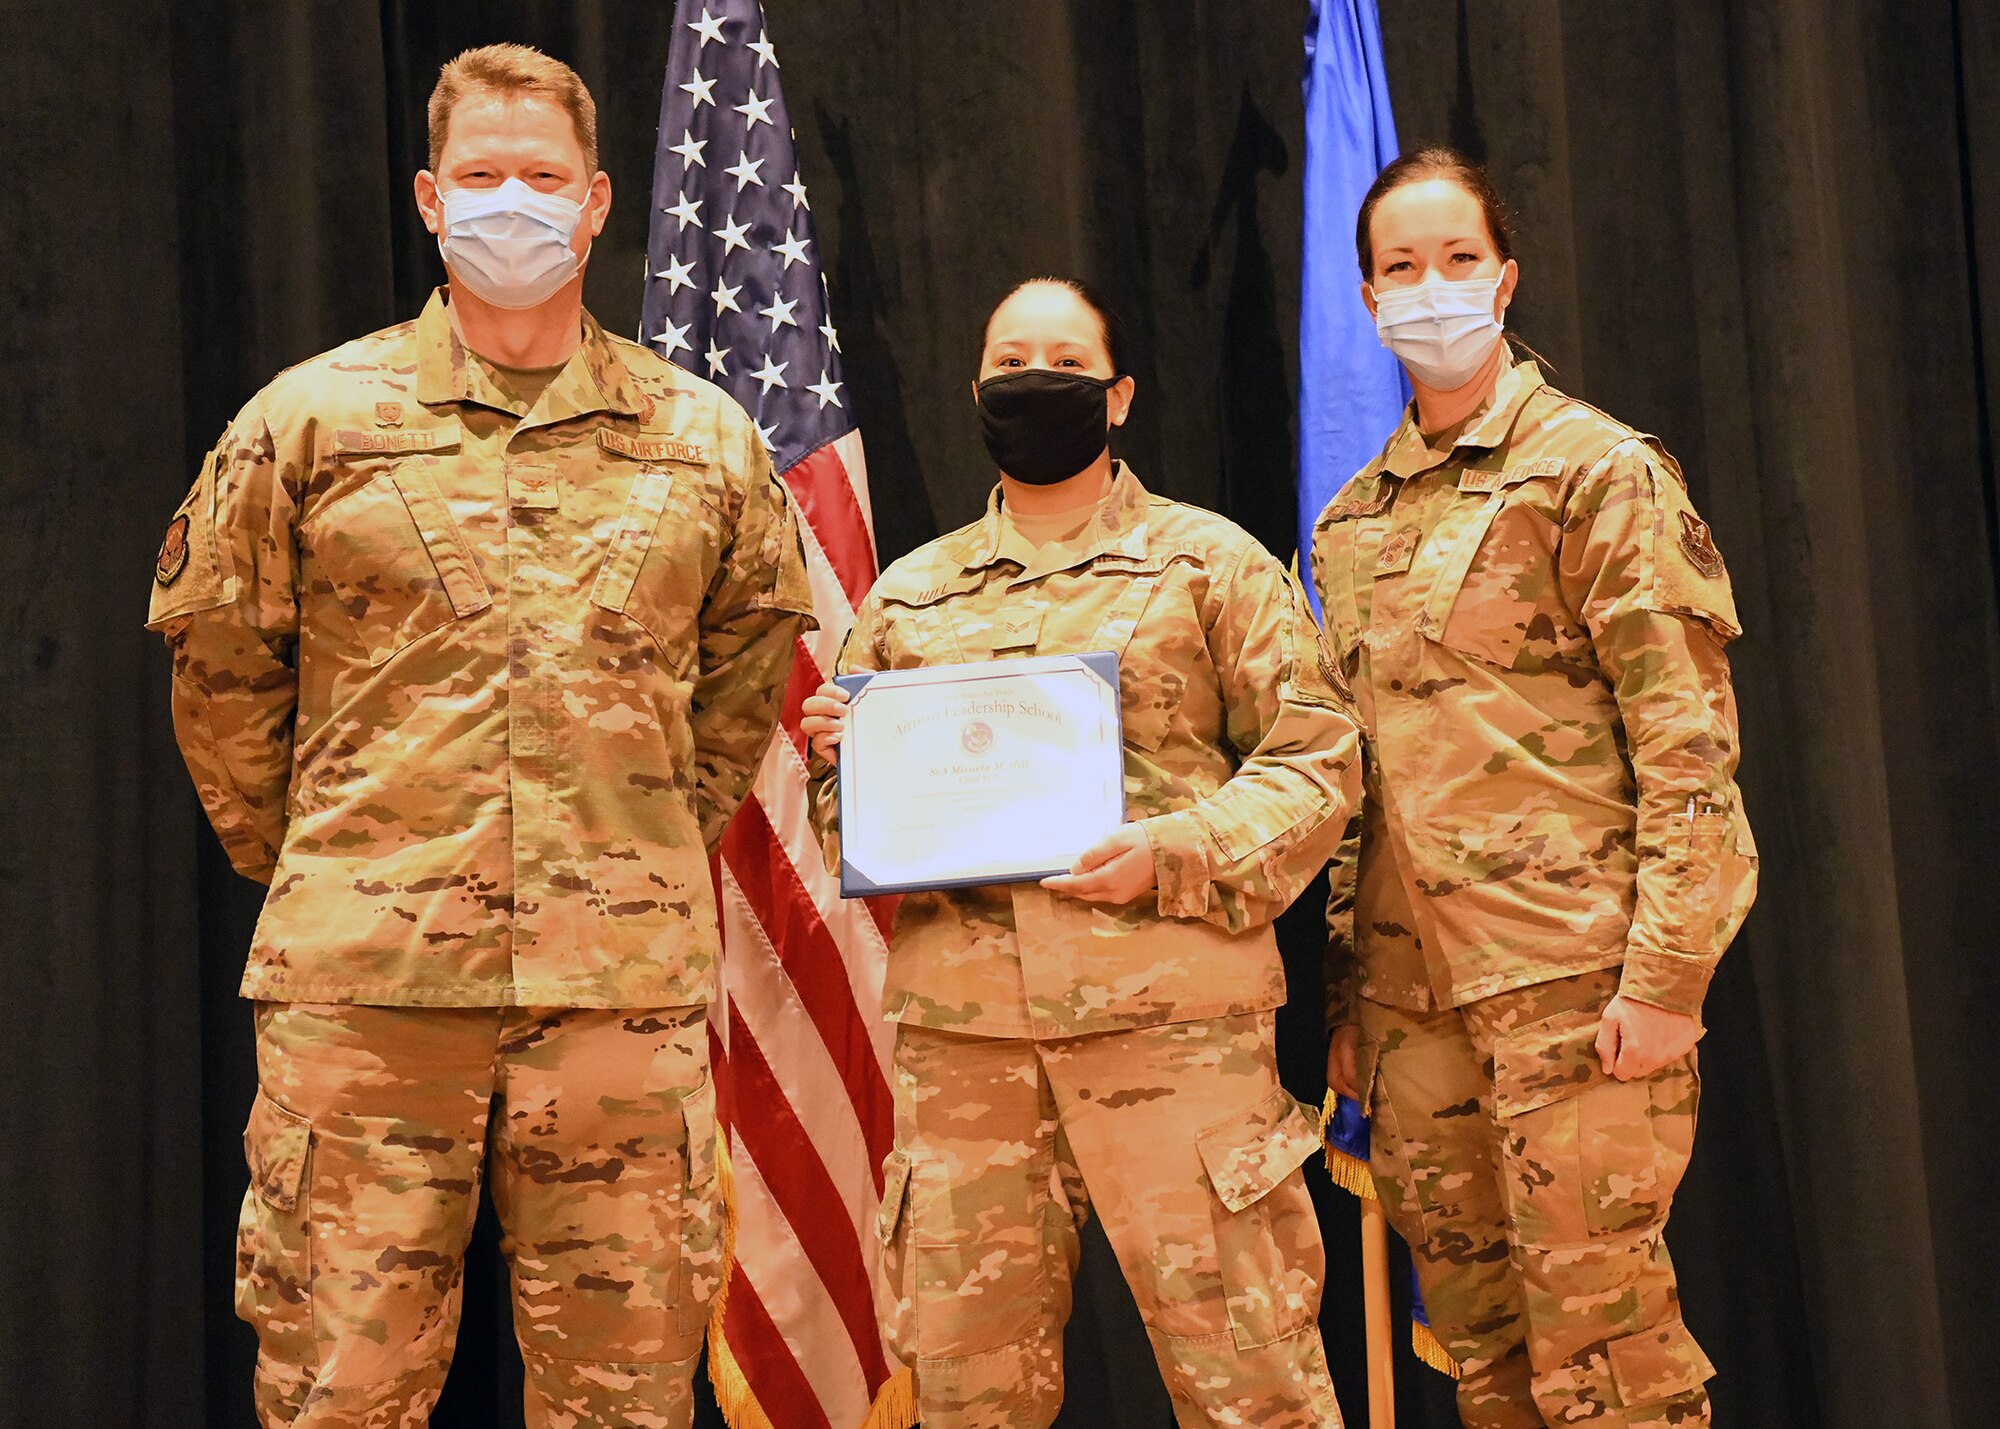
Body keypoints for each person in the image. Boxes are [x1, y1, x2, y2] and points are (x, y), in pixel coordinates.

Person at [145, 44, 813, 1428]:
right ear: (431, 199)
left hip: (617, 1002)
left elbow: (749, 671)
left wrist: (632, 849)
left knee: (626, 1394)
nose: (517, 202)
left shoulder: (704, 441)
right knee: (343, 1386)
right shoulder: (312, 422)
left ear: (599, 200)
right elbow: (220, 665)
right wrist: (334, 864)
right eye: (486, 175)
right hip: (369, 1006)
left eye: (545, 177)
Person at [800, 277, 1360, 1428]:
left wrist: (1173, 848)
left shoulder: (1210, 564)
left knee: (1252, 1390)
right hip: (967, 1057)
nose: (1033, 378)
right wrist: (855, 770)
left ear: (1116, 395)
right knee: (965, 1399)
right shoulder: (910, 596)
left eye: (1063, 358)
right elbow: (836, 818)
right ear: (976, 391)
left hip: (1176, 1042)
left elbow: (1317, 763)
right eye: (1010, 360)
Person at [1309, 147, 1757, 1429]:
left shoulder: (1593, 470)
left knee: (1603, 1353)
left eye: (1456, 261)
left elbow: (1686, 744)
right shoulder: (1347, 523)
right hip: (1414, 1012)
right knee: (1485, 1355)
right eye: (1401, 268)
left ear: (1503, 279)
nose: (1429, 288)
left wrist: (1668, 977)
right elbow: (1357, 783)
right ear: (1367, 298)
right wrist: (1350, 996)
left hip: (1572, 986)